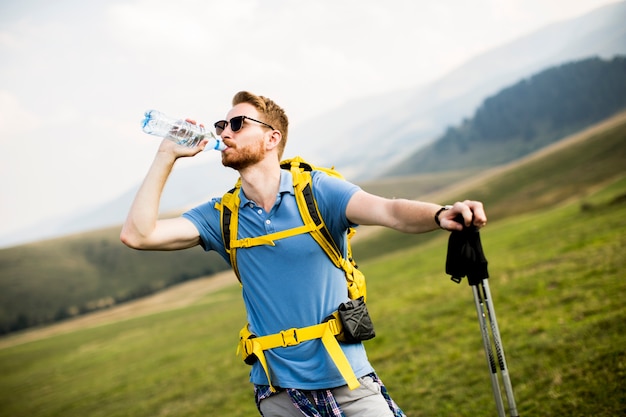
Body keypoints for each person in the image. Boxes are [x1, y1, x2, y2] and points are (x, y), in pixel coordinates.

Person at [121, 91, 487, 416]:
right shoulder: (222, 216)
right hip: (278, 395)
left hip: (347, 382)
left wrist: (440, 214)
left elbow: (390, 211)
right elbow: (139, 234)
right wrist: (166, 154)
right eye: (221, 125)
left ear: (271, 138)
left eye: (236, 123)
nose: (224, 133)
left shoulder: (316, 192)